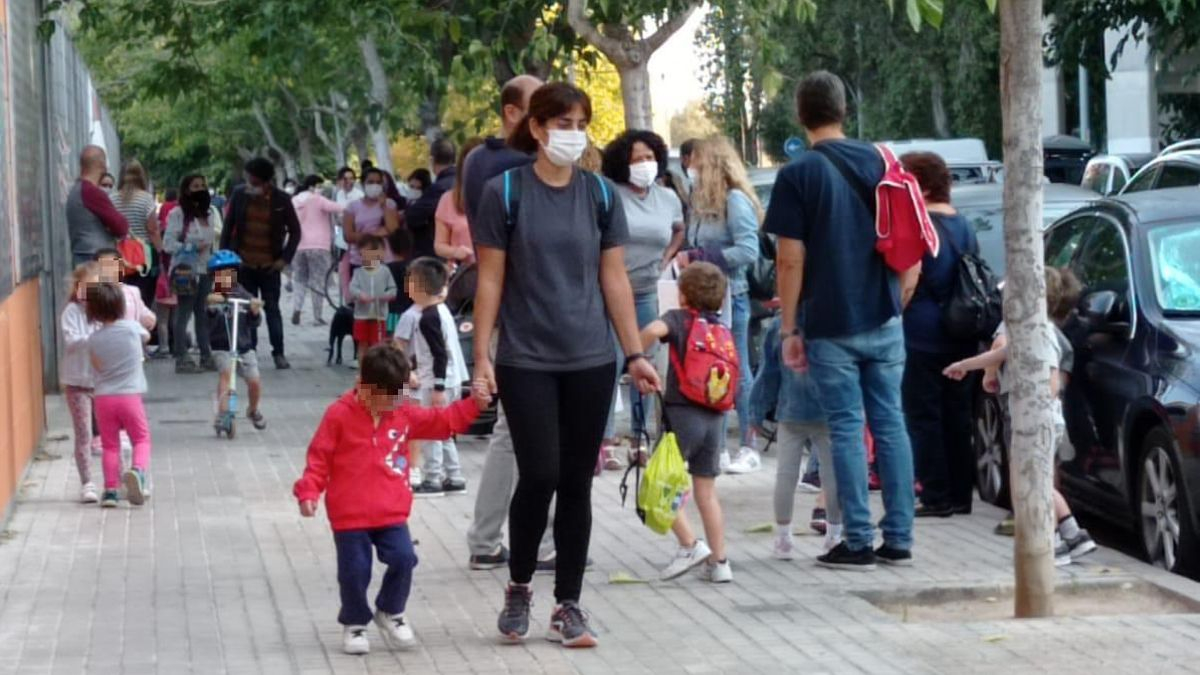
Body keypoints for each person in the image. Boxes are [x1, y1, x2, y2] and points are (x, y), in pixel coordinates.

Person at [471, 82, 660, 648]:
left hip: (591, 359)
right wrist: (482, 355)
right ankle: (520, 587)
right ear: (535, 128)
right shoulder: (504, 192)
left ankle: (568, 604)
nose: (571, 133)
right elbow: (490, 278)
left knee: (577, 482)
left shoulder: (600, 195)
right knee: (540, 475)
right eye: (561, 122)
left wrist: (635, 354)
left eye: (580, 122)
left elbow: (614, 279)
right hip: (526, 358)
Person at [764, 70, 921, 570]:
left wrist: (790, 328)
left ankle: (856, 539)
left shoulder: (797, 175)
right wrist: (897, 303)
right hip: (884, 317)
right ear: (844, 111)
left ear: (800, 114)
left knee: (847, 429)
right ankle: (898, 537)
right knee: (891, 424)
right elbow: (911, 247)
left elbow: (790, 260)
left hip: (830, 322)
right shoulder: (883, 161)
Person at [294, 344, 490, 655]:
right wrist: (308, 492)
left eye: (397, 394)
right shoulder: (339, 415)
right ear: (365, 386)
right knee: (355, 570)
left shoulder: (403, 412)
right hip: (349, 514)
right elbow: (319, 459)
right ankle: (355, 622)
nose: (392, 403)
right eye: (386, 396)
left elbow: (442, 422)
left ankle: (390, 610)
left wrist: (474, 404)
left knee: (403, 558)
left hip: (391, 511)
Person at [944, 267, 1097, 566]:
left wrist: (1037, 408)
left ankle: (1054, 544)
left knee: (1030, 483)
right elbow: (999, 354)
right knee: (1040, 481)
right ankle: (1074, 535)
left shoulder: (1040, 334)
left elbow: (1052, 378)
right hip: (1039, 420)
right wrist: (965, 364)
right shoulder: (1031, 330)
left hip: (1036, 422)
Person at [461, 73, 544, 571]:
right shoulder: (511, 166)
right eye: (542, 111)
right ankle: (525, 539)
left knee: (513, 432)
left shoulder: (479, 160)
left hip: (511, 310)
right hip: (523, 312)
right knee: (521, 432)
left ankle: (487, 537)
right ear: (514, 114)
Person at [641, 262, 734, 583]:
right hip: (715, 417)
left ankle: (689, 544)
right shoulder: (721, 329)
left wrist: (636, 356)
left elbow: (653, 331)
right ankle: (720, 562)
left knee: (657, 482)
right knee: (706, 490)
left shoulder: (678, 319)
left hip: (682, 414)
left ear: (682, 295)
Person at [899, 152, 980, 518]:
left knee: (924, 415)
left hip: (922, 333)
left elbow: (909, 279)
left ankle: (936, 495)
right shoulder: (963, 224)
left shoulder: (919, 224)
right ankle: (962, 493)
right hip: (962, 332)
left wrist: (895, 310)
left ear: (924, 186)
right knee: (958, 415)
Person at [598, 129, 685, 467]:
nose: (644, 164)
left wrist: (666, 259)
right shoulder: (610, 195)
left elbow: (678, 230)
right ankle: (603, 441)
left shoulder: (667, 198)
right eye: (636, 159)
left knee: (646, 365)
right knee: (612, 364)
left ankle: (639, 439)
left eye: (649, 157)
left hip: (648, 290)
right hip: (610, 292)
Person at [681, 137, 762, 474]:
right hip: (706, 300)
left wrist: (704, 257)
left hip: (733, 296)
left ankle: (749, 443)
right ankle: (719, 447)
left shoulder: (735, 201)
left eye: (697, 165)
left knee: (737, 371)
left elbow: (748, 250)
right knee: (710, 370)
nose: (692, 171)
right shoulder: (702, 205)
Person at [750, 314, 842, 557]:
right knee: (832, 475)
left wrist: (757, 412)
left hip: (791, 410)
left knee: (785, 475)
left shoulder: (779, 326)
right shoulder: (834, 317)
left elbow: (767, 373)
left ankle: (783, 538)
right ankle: (834, 535)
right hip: (829, 408)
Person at [396, 258, 470, 497]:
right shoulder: (440, 310)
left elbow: (440, 354)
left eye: (410, 282)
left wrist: (437, 386)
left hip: (437, 382)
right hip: (448, 380)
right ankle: (455, 475)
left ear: (418, 286)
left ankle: (433, 478)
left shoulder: (428, 318)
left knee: (431, 430)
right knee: (444, 428)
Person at [220, 157, 302, 370]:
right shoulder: (239, 195)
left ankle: (279, 353)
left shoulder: (282, 200)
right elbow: (228, 227)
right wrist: (224, 260)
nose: (249, 185)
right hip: (243, 264)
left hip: (269, 265)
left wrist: (284, 259)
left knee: (272, 309)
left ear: (266, 182)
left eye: (253, 181)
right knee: (247, 309)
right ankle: (250, 352)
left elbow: (295, 231)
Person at [86, 282, 153, 508]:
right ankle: (137, 472)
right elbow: (146, 337)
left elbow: (97, 366)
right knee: (141, 438)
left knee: (110, 445)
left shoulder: (93, 339)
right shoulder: (132, 329)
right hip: (130, 395)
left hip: (103, 398)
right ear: (120, 305)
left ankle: (110, 491)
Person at [163, 175, 222, 374]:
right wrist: (192, 247)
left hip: (205, 269)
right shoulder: (177, 214)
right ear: (186, 190)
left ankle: (206, 354)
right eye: (195, 186)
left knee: (203, 313)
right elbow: (168, 244)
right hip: (185, 270)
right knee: (184, 312)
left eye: (203, 186)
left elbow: (215, 242)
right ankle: (182, 357)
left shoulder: (210, 213)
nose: (200, 189)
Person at [206, 250, 268, 431]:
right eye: (220, 274)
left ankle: (253, 409)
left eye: (230, 272)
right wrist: (211, 306)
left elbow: (254, 322)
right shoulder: (214, 296)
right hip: (222, 346)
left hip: (243, 346)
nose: (226, 277)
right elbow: (209, 318)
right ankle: (223, 414)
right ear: (214, 277)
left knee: (254, 381)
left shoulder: (243, 294)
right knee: (225, 375)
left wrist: (255, 310)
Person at [62, 262, 102, 504]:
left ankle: (114, 478)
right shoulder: (71, 312)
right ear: (77, 287)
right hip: (77, 382)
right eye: (86, 287)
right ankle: (87, 482)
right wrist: (95, 337)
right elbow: (72, 341)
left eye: (95, 288)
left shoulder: (103, 311)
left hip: (102, 382)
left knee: (110, 433)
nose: (89, 293)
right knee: (84, 433)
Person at [292, 174, 343, 326]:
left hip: (299, 246)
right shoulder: (318, 199)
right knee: (318, 281)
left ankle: (297, 309)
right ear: (312, 186)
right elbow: (338, 208)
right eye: (320, 186)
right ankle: (317, 316)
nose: (321, 189)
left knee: (299, 279)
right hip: (319, 246)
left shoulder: (294, 200)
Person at [67, 145, 129, 265]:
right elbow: (121, 226)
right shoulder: (91, 192)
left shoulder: (75, 190)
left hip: (81, 257)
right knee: (106, 285)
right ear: (102, 165)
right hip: (99, 260)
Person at [113, 159, 161, 309]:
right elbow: (153, 230)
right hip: (143, 257)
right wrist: (161, 251)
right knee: (143, 300)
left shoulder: (112, 199)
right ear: (141, 176)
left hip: (117, 255)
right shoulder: (146, 199)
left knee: (119, 301)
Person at [434, 137, 483, 267]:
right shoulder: (448, 199)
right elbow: (439, 246)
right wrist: (455, 252)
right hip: (464, 273)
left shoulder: (501, 195)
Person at [406, 138, 457, 259]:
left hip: (438, 252)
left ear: (432, 160)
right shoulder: (465, 180)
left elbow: (412, 216)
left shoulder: (439, 188)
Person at [344, 168, 402, 273]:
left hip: (384, 259)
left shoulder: (389, 204)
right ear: (363, 183)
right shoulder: (352, 207)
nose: (375, 185)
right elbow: (348, 236)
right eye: (370, 182)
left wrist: (383, 206)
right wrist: (375, 233)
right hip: (359, 259)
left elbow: (393, 230)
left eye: (378, 182)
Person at [349, 235, 397, 353]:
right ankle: (363, 369)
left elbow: (393, 290)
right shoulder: (358, 272)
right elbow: (352, 288)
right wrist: (360, 295)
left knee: (378, 343)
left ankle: (375, 368)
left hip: (379, 315)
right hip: (361, 315)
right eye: (363, 255)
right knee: (362, 344)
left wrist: (385, 296)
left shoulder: (385, 271)